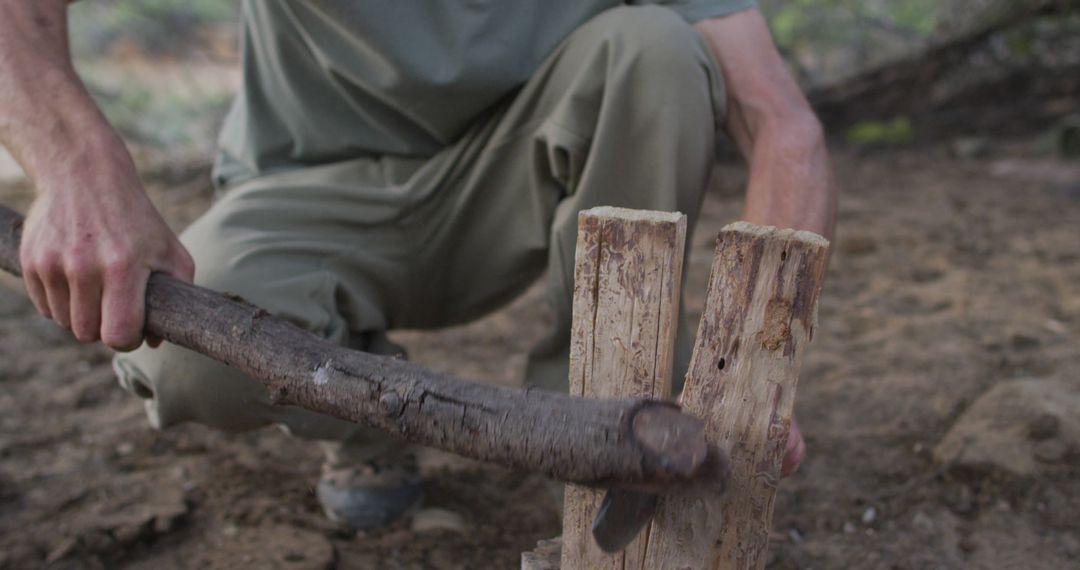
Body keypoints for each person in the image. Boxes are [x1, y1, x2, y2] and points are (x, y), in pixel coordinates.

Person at [1, 0, 836, 530]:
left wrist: (755, 372)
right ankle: (367, 422)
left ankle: (607, 424)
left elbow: (780, 123)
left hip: (514, 175)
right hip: (307, 184)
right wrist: (75, 162)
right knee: (188, 361)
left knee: (657, 50)